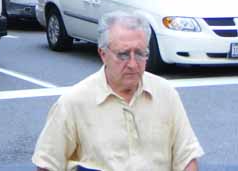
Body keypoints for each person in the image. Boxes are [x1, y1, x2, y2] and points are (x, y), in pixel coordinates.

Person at [32, 11, 204, 171]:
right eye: (123, 55)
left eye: (140, 54)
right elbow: (48, 164)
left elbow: (187, 158)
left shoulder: (166, 94)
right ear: (103, 54)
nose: (132, 64)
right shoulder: (74, 103)